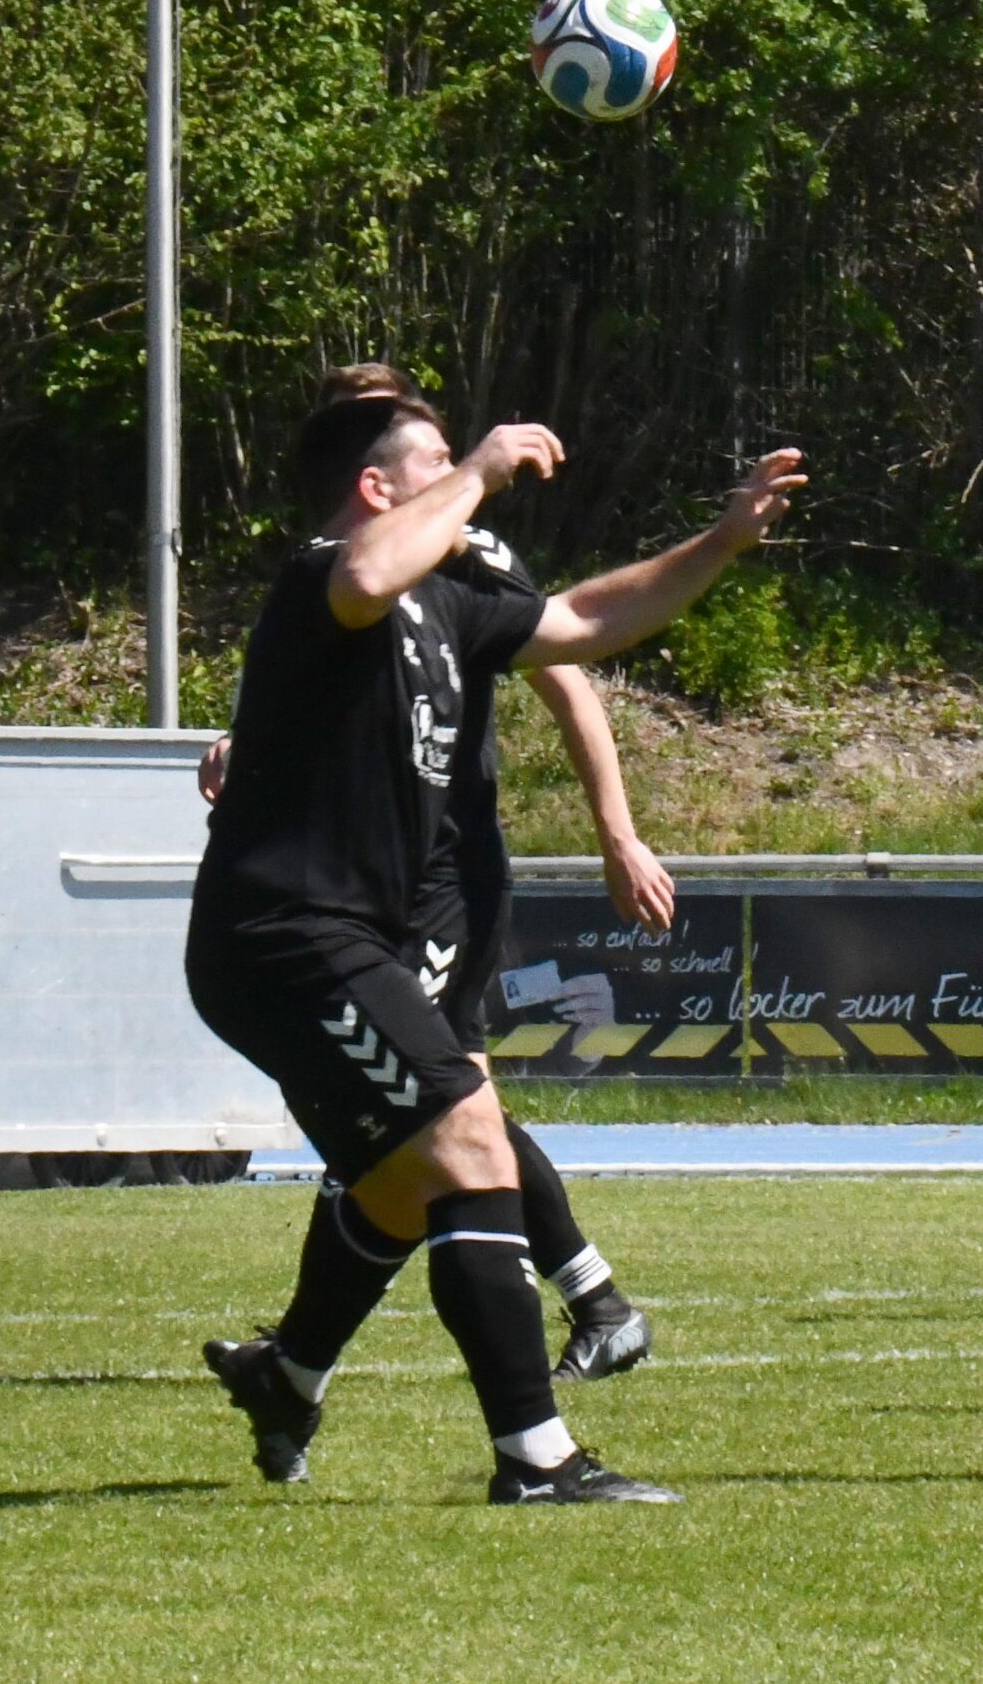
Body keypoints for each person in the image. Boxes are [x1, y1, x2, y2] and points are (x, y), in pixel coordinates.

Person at [186, 372, 803, 1502]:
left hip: (342, 938)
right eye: (430, 461)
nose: (459, 479)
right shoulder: (330, 571)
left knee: (402, 1184)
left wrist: (719, 543)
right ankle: (537, 1455)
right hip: (285, 936)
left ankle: (289, 1372)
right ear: (377, 487)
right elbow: (365, 573)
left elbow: (586, 622)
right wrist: (475, 468)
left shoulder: (449, 599)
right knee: (471, 1135)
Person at [200, 365, 672, 1387]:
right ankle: (301, 1365)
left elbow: (571, 665)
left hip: (438, 872)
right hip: (365, 875)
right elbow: (323, 681)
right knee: (407, 1128)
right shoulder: (350, 557)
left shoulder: (462, 543)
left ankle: (583, 1313)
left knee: (440, 1116)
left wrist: (617, 829)